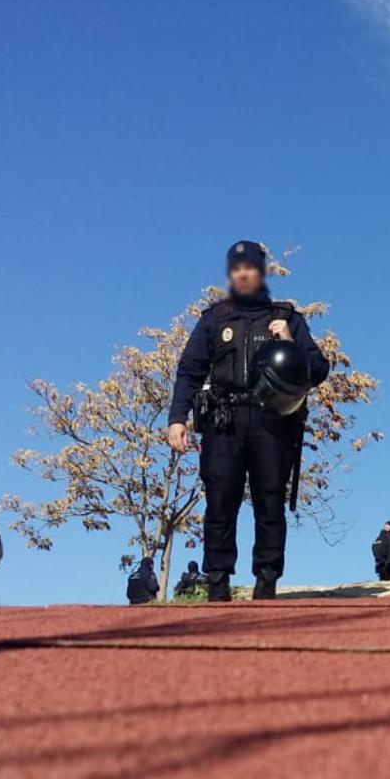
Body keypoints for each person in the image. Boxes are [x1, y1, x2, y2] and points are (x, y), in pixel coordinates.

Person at [166, 241, 331, 602]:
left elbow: (319, 370)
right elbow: (189, 370)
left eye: (250, 267)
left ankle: (267, 580)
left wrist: (291, 343)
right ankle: (218, 581)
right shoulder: (214, 318)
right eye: (236, 268)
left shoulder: (287, 317)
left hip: (272, 421)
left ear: (261, 272)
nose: (243, 273)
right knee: (220, 501)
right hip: (223, 420)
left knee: (269, 499)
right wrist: (177, 417)